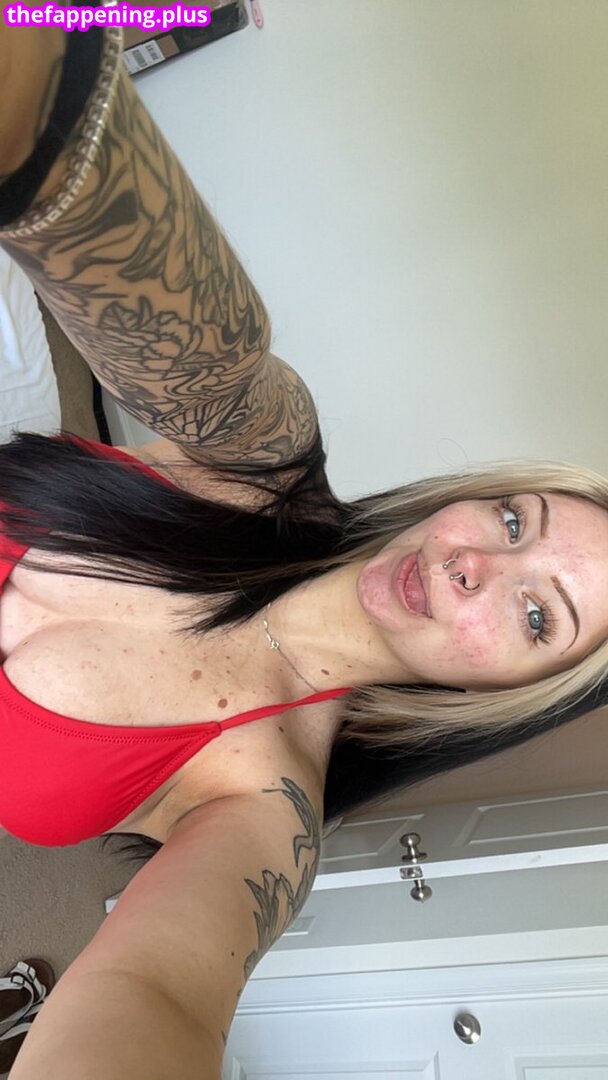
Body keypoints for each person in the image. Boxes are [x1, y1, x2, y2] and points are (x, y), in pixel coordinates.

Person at [1, 19, 607, 1080]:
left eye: (532, 616)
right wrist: (40, 94)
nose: (477, 566)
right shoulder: (266, 455)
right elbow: (177, 312)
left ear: (504, 693)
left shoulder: (266, 807)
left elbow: (159, 992)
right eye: (514, 522)